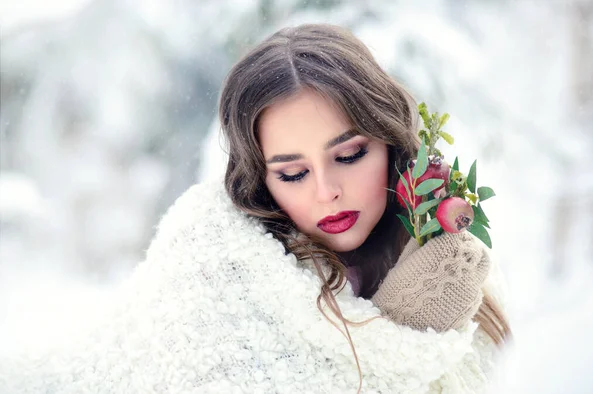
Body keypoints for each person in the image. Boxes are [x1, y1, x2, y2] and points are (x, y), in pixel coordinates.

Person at [0, 24, 510, 393]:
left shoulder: (450, 259)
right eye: (292, 173)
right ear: (260, 180)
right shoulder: (214, 268)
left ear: (393, 145)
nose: (325, 191)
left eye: (349, 155)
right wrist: (401, 339)